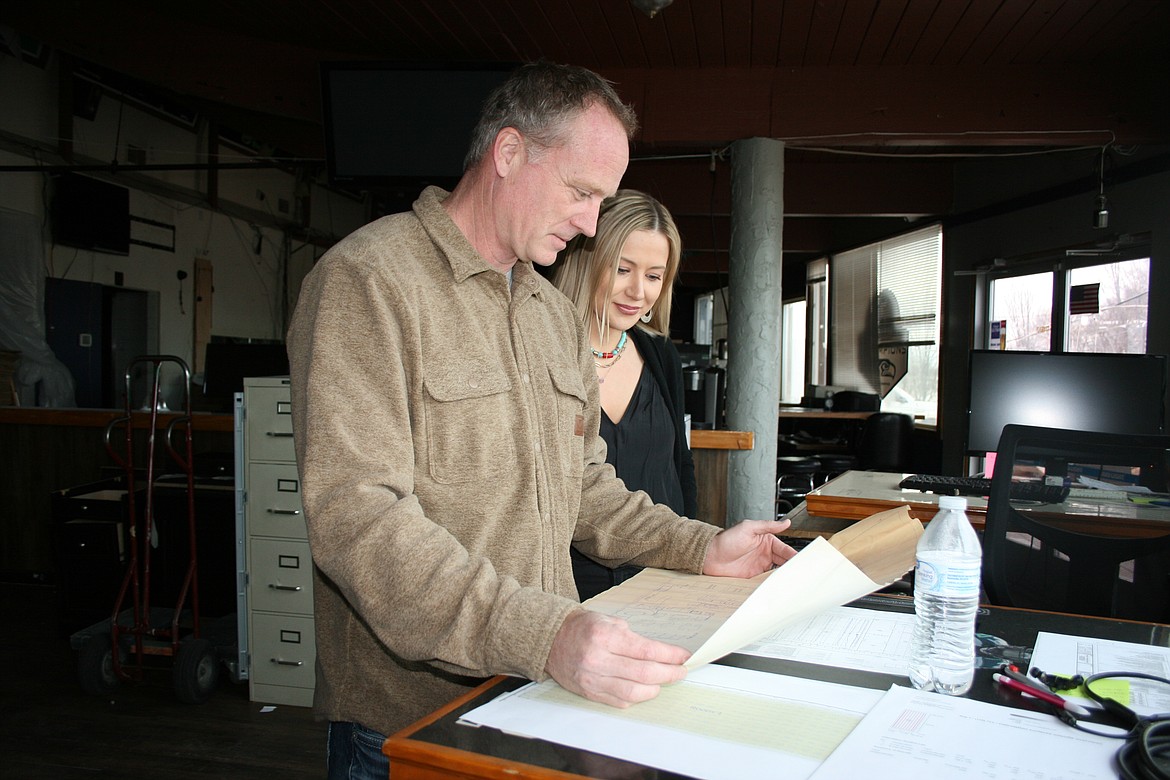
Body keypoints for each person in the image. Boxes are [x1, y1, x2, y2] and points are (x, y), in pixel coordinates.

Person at [285, 61, 798, 779]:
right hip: (409, 722)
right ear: (509, 152)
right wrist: (543, 631)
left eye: (603, 200)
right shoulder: (368, 282)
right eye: (581, 192)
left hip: (538, 694)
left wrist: (700, 546)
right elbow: (357, 519)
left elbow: (584, 485)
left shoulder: (552, 315)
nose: (591, 224)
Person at [553, 189, 696, 600]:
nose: (638, 291)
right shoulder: (546, 352)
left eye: (654, 276)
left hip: (662, 576)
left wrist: (691, 555)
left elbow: (680, 468)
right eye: (622, 269)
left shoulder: (661, 355)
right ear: (586, 261)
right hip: (572, 588)